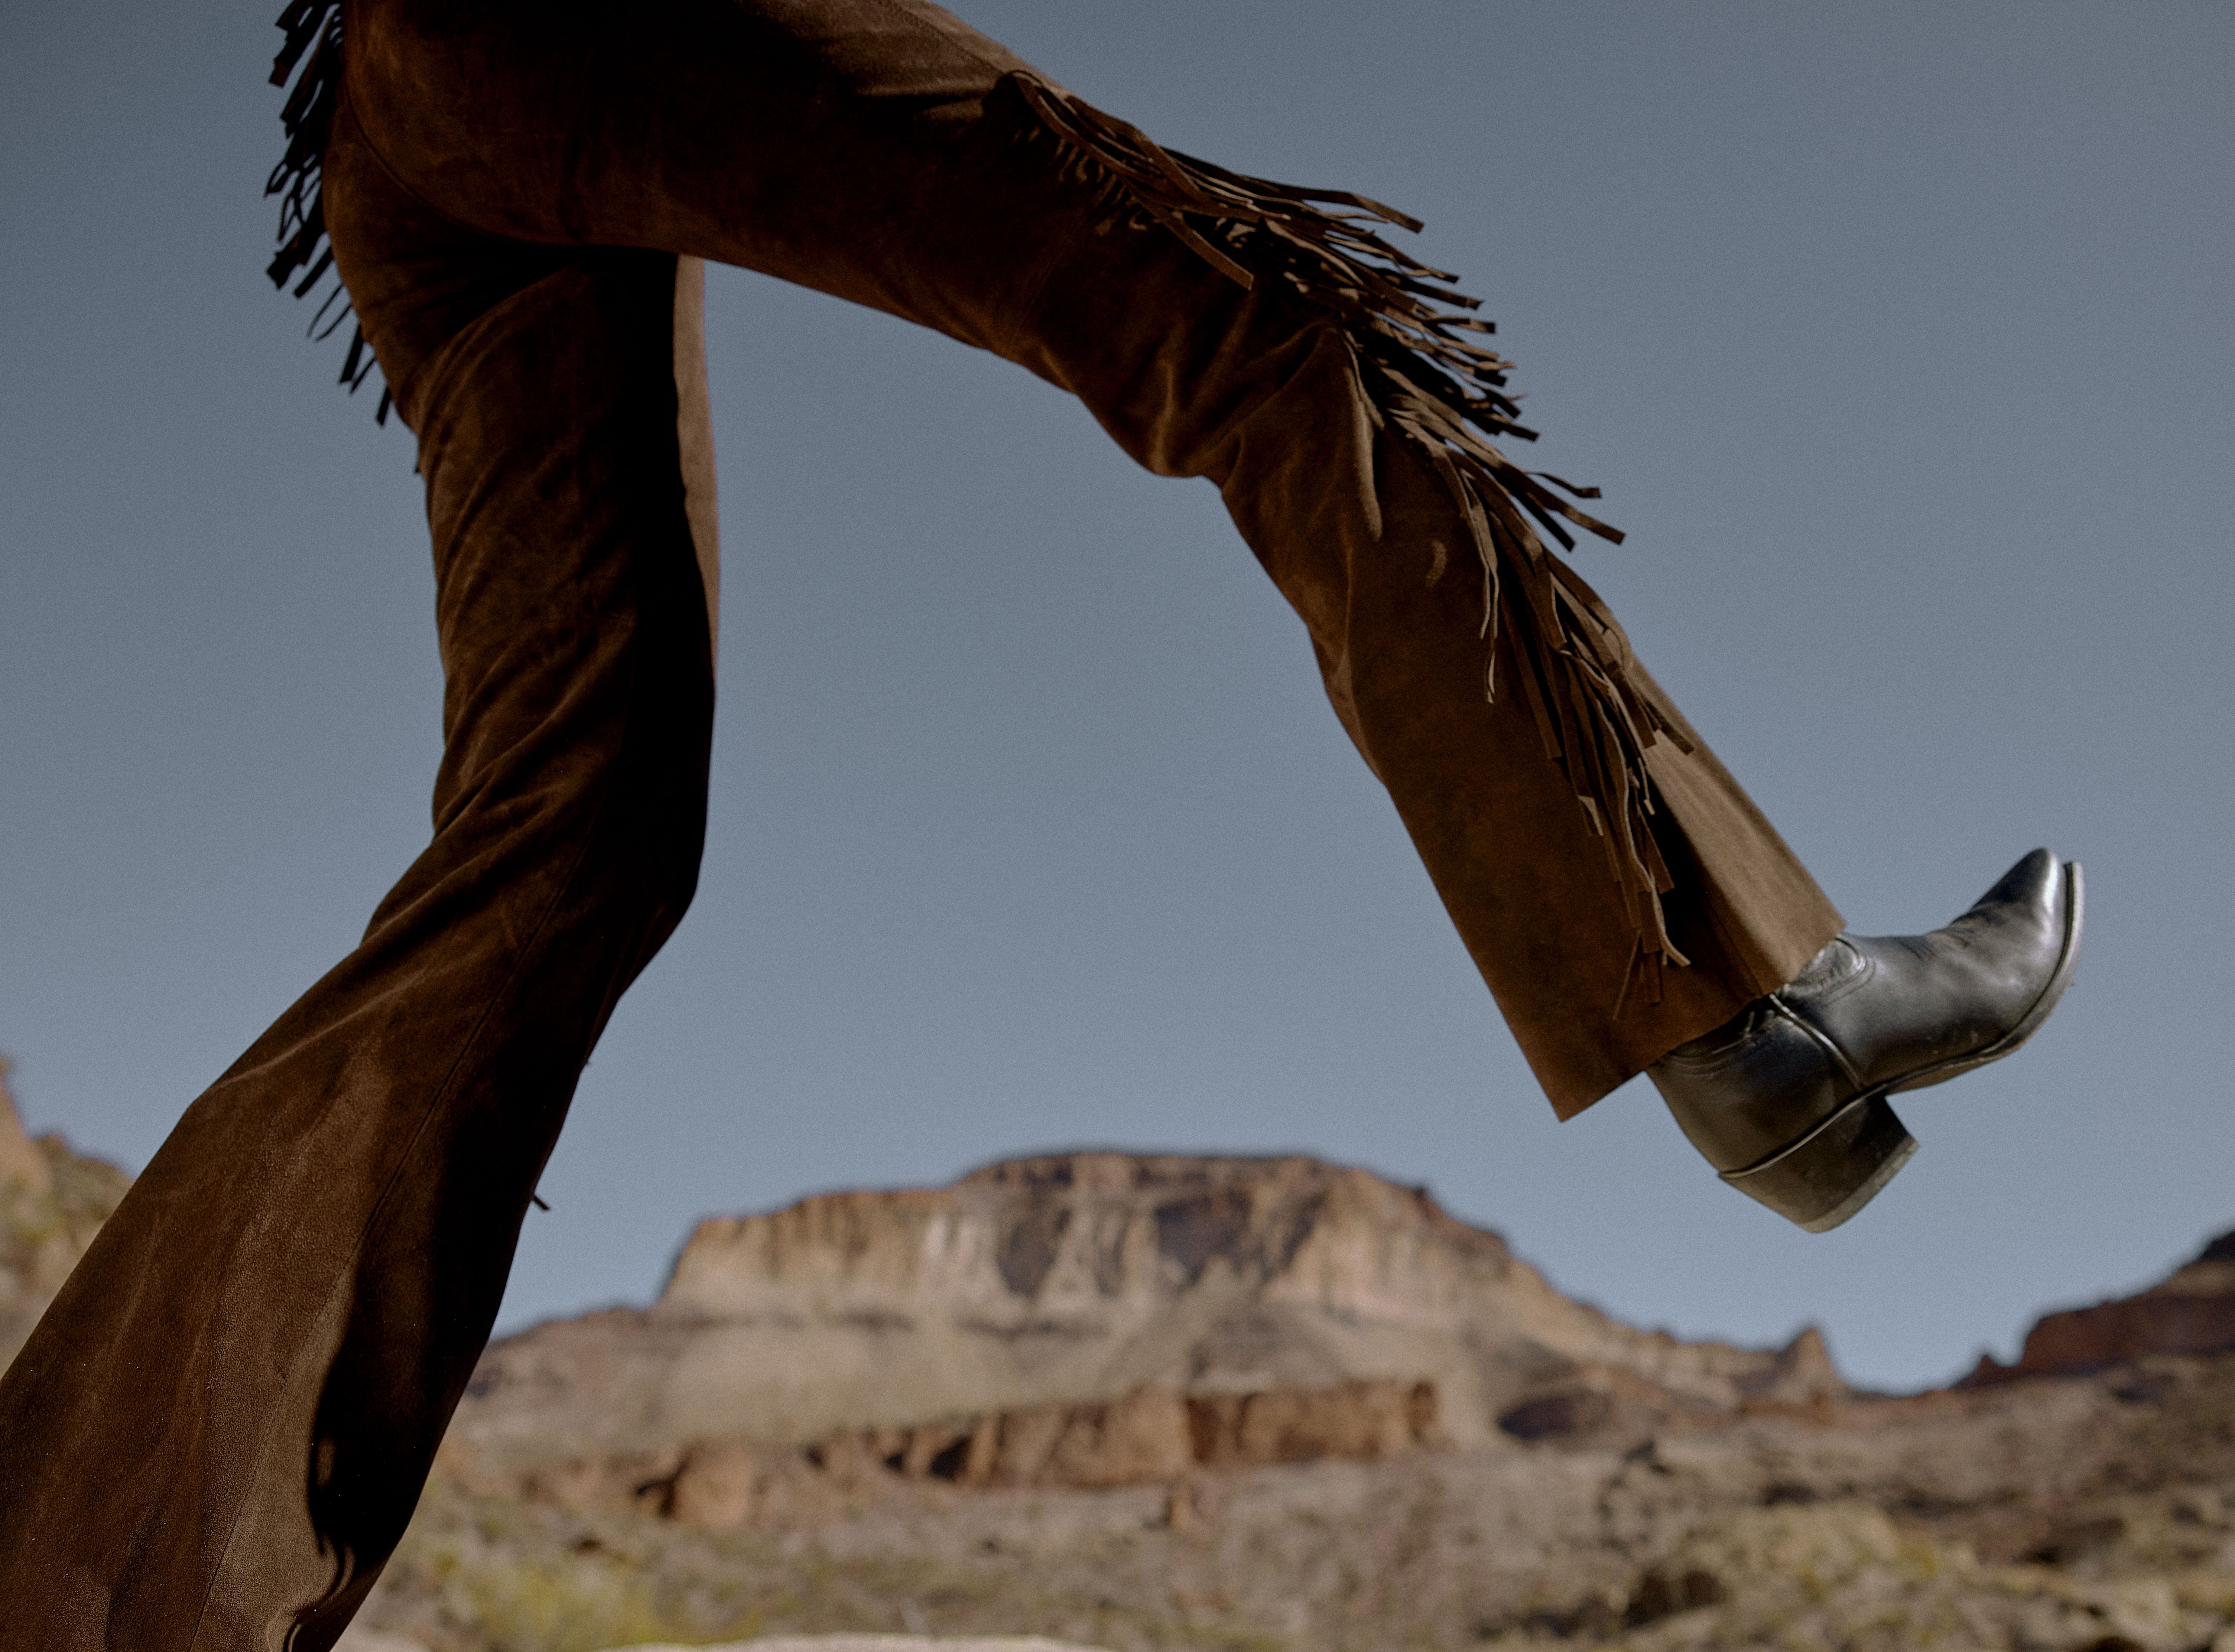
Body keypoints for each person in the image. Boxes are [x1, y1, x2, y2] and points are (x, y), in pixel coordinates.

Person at [0, 0, 2081, 1642]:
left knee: (569, 835)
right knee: (1239, 305)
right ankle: (1748, 1000)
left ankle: (71, 1590)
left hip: (401, 108)